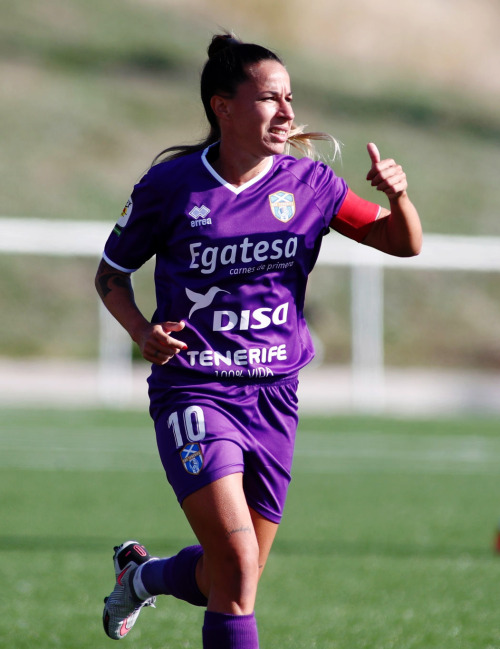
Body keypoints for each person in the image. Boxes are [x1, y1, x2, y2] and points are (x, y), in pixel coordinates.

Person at [96, 32, 422, 649]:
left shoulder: (312, 185)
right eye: (270, 98)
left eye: (290, 98)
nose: (289, 113)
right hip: (195, 390)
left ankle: (140, 575)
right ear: (223, 106)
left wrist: (398, 197)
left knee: (231, 577)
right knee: (238, 573)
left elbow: (402, 243)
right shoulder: (170, 187)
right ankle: (145, 576)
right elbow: (110, 274)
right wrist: (143, 332)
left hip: (275, 397)